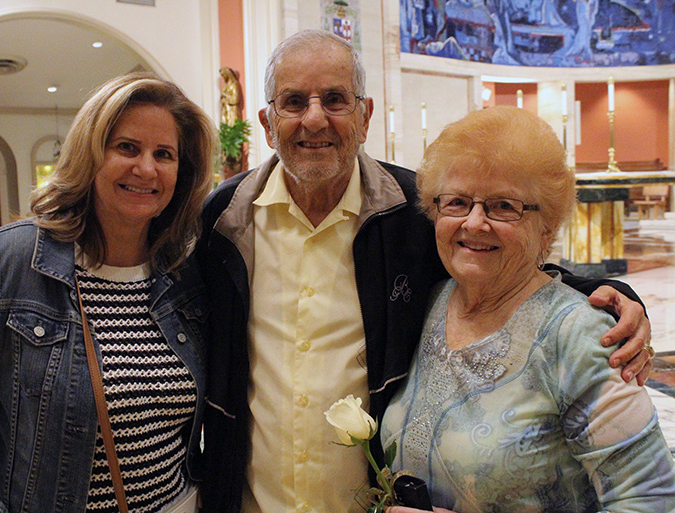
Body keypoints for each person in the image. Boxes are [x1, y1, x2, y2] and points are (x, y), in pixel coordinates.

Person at [197, 30, 653, 513]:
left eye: (335, 99)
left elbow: (498, 261)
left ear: (365, 115)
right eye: (294, 102)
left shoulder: (413, 210)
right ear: (268, 122)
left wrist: (607, 295)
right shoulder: (224, 218)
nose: (315, 118)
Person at [0, 72, 215, 513]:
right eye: (127, 147)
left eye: (163, 154)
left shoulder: (181, 273)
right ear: (90, 153)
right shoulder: (5, 261)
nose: (146, 168)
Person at [380, 106, 675, 513]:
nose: (474, 223)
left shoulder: (581, 337)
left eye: (504, 206)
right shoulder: (429, 302)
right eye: (458, 203)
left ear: (547, 227)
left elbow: (651, 500)